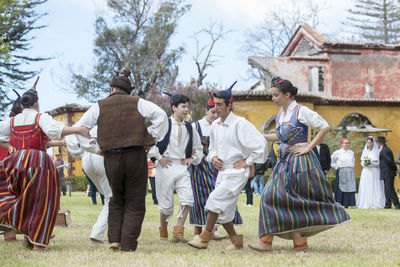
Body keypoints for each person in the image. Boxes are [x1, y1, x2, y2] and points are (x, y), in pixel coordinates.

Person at [249, 77, 350, 252]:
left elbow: (324, 126)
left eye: (275, 95)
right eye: (272, 95)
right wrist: (262, 136)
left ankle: (268, 241)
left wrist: (309, 146)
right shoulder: (281, 113)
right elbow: (281, 137)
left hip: (300, 163)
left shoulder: (301, 111)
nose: (273, 98)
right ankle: (296, 242)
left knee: (276, 196)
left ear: (287, 94)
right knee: (286, 199)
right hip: (284, 161)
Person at [75, 69, 168, 251]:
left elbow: (80, 128)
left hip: (110, 157)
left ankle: (114, 240)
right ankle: (128, 244)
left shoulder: (99, 106)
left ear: (111, 88)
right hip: (135, 155)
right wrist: (150, 138)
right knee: (135, 201)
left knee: (115, 199)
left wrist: (95, 148)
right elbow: (161, 116)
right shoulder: (138, 102)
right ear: (129, 90)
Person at [0, 84, 90, 250]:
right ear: (36, 104)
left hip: (16, 162)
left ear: (21, 105)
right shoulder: (40, 117)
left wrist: (9, 148)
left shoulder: (12, 120)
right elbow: (58, 129)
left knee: (23, 199)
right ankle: (39, 244)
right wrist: (79, 129)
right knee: (42, 202)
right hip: (37, 162)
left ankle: (27, 236)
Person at [188, 81, 268, 250]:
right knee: (226, 212)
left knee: (214, 200)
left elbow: (260, 145)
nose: (215, 108)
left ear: (229, 105)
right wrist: (213, 158)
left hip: (237, 173)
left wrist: (247, 162)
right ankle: (237, 242)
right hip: (223, 172)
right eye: (214, 105)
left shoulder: (241, 124)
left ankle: (204, 237)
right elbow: (211, 149)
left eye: (219, 105)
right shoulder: (215, 125)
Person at [148, 92, 203, 244]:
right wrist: (159, 157)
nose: (186, 110)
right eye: (183, 106)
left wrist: (192, 158)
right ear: (173, 107)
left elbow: (198, 148)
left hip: (182, 166)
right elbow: (147, 142)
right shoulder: (163, 124)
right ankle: (163, 232)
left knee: (188, 199)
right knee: (166, 205)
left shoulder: (190, 128)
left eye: (187, 107)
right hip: (165, 166)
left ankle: (178, 233)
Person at [188, 93, 242, 239]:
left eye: (217, 111)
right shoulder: (196, 126)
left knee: (217, 196)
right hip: (199, 167)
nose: (214, 114)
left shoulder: (222, 125)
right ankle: (198, 232)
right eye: (212, 111)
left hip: (217, 166)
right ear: (206, 111)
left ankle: (213, 229)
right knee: (199, 198)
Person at [357, 136, 385, 209]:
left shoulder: (377, 152)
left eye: (370, 143)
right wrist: (365, 164)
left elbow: (378, 163)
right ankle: (366, 201)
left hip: (374, 171)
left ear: (373, 143)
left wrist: (371, 163)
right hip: (366, 171)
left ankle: (375, 202)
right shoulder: (365, 152)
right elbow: (362, 162)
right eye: (368, 143)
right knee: (366, 185)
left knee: (374, 185)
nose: (369, 144)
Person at [331, 138, 357, 208]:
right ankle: (340, 202)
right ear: (341, 144)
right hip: (341, 171)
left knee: (350, 187)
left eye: (348, 143)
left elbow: (353, 161)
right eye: (345, 143)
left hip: (350, 171)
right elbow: (331, 161)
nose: (346, 144)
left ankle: (349, 203)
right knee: (341, 187)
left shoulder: (351, 152)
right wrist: (336, 167)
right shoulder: (337, 152)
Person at [376, 136, 400, 209]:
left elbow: (389, 161)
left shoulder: (384, 151)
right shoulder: (384, 149)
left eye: (377, 143)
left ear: (380, 143)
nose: (377, 144)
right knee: (387, 189)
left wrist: (395, 168)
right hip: (386, 173)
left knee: (390, 189)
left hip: (388, 173)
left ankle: (397, 204)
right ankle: (388, 204)